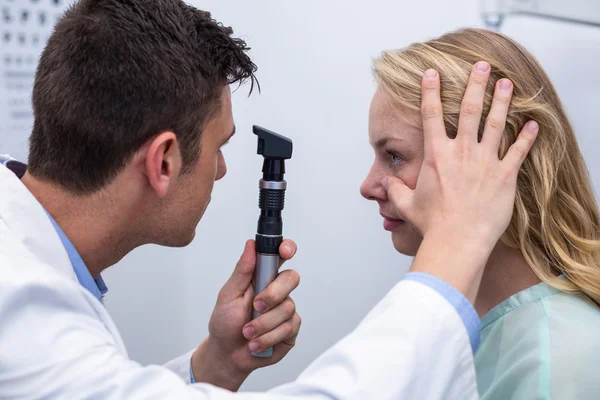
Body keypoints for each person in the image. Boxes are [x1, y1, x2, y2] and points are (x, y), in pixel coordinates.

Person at [0, 0, 538, 397]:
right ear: (163, 162)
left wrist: (216, 365)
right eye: (219, 148)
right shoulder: (21, 311)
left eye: (393, 156)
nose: (222, 169)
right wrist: (454, 246)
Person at [361, 28, 600, 399]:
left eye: (394, 156)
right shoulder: (452, 321)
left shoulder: (559, 362)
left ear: (489, 162)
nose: (368, 186)